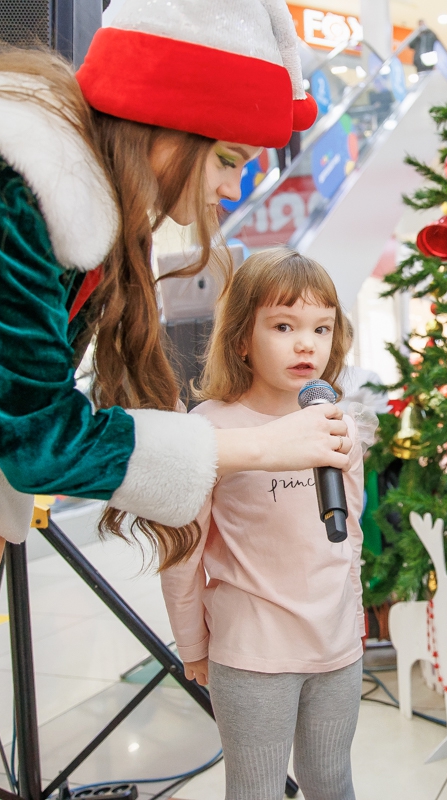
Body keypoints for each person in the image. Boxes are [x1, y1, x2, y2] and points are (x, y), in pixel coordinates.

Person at [0, 0, 347, 796]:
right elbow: (39, 432)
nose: (232, 186)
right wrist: (260, 446)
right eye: (227, 159)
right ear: (169, 125)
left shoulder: (69, 205)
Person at [159, 248, 370, 800]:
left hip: (336, 646)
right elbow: (183, 551)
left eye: (321, 328)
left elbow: (349, 535)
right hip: (252, 651)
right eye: (283, 326)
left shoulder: (339, 425)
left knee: (332, 780)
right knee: (256, 789)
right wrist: (192, 644)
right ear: (240, 339)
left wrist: (354, 618)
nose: (306, 344)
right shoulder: (210, 428)